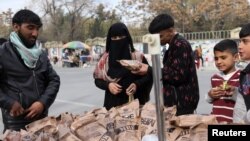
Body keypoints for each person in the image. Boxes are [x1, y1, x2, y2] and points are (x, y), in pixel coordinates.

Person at [0, 9, 60, 132]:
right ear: (16, 27)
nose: (35, 33)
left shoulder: (40, 54)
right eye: (30, 28)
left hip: (42, 120)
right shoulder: (2, 53)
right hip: (15, 124)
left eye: (37, 29)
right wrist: (9, 103)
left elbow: (54, 80)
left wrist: (42, 103)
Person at [132, 13, 199, 116]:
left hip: (181, 104)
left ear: (171, 31)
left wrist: (149, 69)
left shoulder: (180, 45)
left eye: (160, 36)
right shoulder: (172, 45)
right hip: (176, 103)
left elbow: (177, 75)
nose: (158, 40)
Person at [93, 22, 153, 110]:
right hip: (112, 106)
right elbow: (97, 80)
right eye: (114, 38)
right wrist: (108, 85)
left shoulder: (137, 57)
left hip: (134, 105)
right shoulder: (104, 60)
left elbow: (149, 76)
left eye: (121, 37)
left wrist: (137, 84)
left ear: (127, 38)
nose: (118, 40)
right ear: (110, 40)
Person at [205, 39, 240, 123]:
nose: (219, 62)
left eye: (223, 58)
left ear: (235, 57)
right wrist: (211, 95)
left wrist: (235, 92)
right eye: (216, 58)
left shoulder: (242, 77)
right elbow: (209, 99)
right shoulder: (215, 78)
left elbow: (246, 100)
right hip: (216, 121)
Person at [237, 23, 250, 123]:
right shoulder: (245, 73)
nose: (239, 46)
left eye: (245, 42)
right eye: (240, 41)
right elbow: (240, 106)